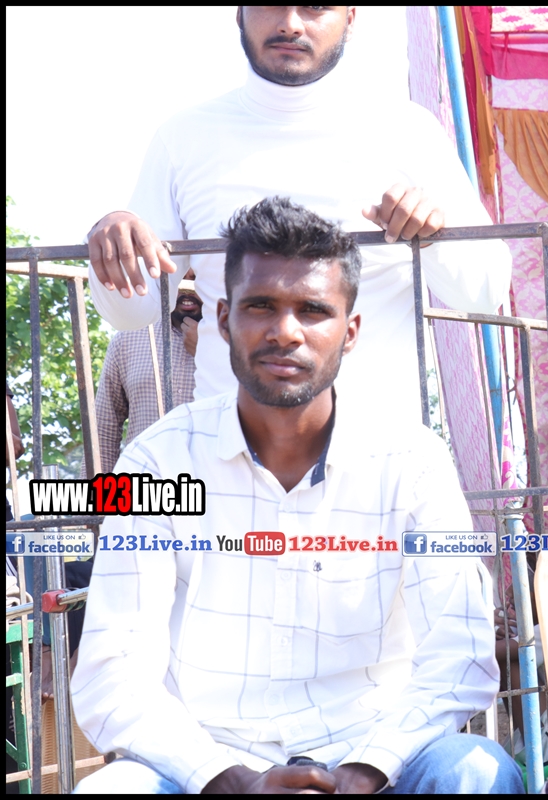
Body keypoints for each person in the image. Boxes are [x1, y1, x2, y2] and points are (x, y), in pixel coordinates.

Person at [71, 198, 522, 794]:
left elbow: (459, 652)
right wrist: (230, 779)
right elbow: (112, 673)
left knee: (475, 771)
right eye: (261, 306)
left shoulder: (411, 461)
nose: (285, 332)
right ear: (224, 319)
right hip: (207, 763)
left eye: (313, 310)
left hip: (378, 755)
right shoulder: (158, 461)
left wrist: (367, 770)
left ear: (350, 332)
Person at [85, 6, 511, 434]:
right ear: (239, 13)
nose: (290, 23)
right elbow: (131, 313)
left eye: (314, 6)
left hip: (377, 454)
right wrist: (112, 243)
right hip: (226, 454)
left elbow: (484, 293)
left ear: (350, 17)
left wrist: (434, 237)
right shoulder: (183, 138)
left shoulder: (408, 132)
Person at [95, 271, 202, 473]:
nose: (187, 288)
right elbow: (104, 431)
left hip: (213, 484)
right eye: (180, 276)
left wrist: (211, 352)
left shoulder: (237, 340)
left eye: (195, 278)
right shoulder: (128, 339)